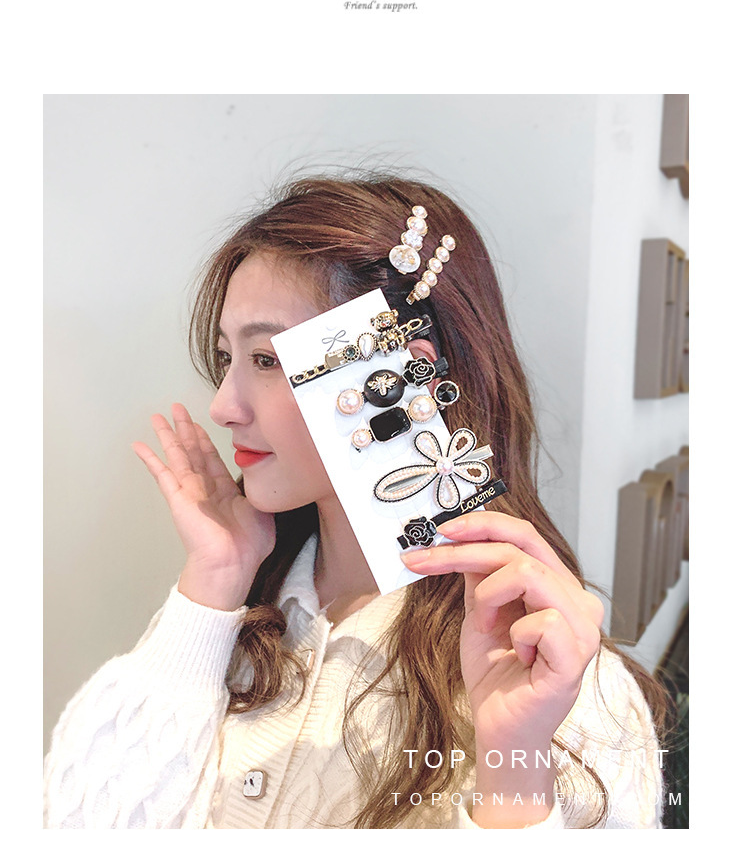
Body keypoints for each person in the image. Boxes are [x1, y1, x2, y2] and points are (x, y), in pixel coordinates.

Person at [43, 173, 669, 829]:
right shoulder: (232, 618)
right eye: (227, 358)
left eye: (267, 360)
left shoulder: (548, 672)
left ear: (402, 376)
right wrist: (210, 589)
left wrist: (514, 760)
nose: (223, 406)